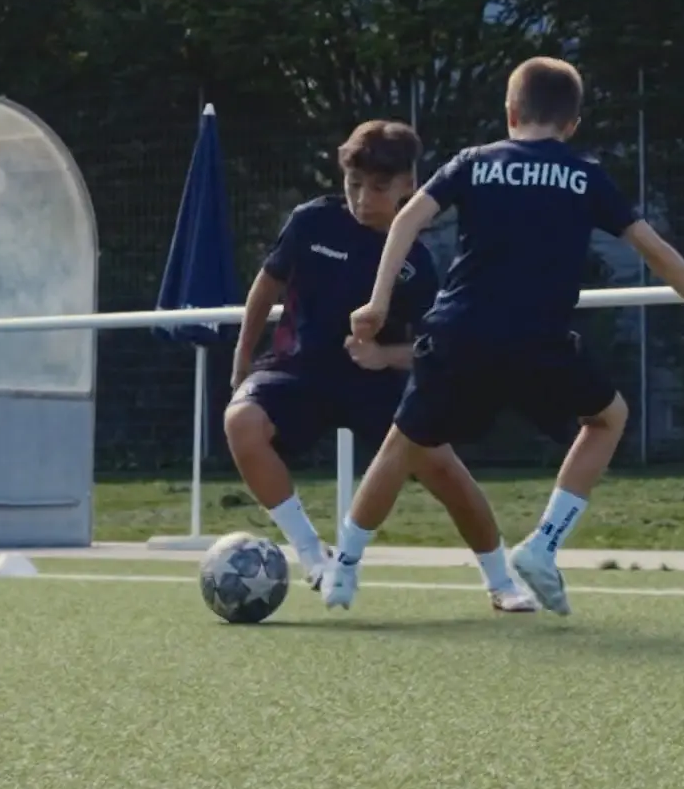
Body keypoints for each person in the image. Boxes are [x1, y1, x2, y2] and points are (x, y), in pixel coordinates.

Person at [324, 58, 684, 614]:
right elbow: (655, 251)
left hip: (459, 335)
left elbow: (405, 221)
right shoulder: (586, 175)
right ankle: (543, 545)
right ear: (572, 123)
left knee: (403, 445)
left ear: (510, 112)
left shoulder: (474, 162)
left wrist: (378, 303)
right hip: (538, 341)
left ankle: (345, 567)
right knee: (608, 418)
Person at [226, 120, 539, 613]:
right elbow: (265, 287)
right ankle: (312, 556)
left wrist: (383, 357)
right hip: (299, 371)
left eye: (377, 187)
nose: (362, 198)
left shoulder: (416, 261)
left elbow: (434, 345)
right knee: (241, 421)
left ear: (407, 186)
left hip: (377, 384)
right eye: (354, 184)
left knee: (444, 468)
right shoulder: (311, 222)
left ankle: (502, 580)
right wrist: (242, 361)